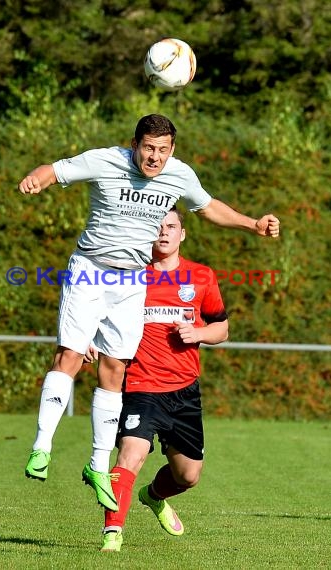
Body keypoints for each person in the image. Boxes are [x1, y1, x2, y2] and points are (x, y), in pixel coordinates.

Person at [18, 113, 279, 512]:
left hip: (132, 280)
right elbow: (54, 170)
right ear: (134, 144)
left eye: (162, 150)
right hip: (90, 268)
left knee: (115, 367)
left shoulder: (179, 175)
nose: (154, 157)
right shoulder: (106, 160)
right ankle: (41, 448)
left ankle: (97, 465)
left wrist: (252, 224)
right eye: (148, 148)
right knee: (70, 355)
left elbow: (207, 208)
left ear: (171, 150)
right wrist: (37, 178)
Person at [100, 208, 228, 552]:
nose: (163, 232)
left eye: (171, 226)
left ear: (182, 234)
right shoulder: (130, 275)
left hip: (185, 390)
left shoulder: (201, 276)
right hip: (140, 386)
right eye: (157, 226)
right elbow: (99, 314)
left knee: (188, 476)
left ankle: (154, 495)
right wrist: (88, 343)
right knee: (131, 455)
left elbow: (222, 328)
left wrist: (198, 331)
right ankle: (112, 533)